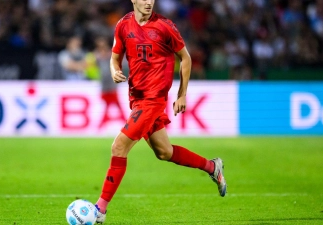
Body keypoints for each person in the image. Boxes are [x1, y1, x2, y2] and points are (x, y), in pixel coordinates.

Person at [94, 0, 227, 223]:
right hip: (136, 99)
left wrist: (182, 94)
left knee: (118, 146)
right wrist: (115, 70)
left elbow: (186, 57)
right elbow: (114, 57)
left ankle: (100, 210)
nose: (148, 2)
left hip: (153, 100)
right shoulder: (123, 25)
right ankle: (212, 167)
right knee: (164, 152)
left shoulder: (165, 26)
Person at [94, 36, 126, 129]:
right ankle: (123, 122)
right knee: (112, 105)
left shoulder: (112, 55)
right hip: (104, 86)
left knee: (113, 105)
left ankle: (102, 124)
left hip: (112, 85)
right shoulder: (97, 57)